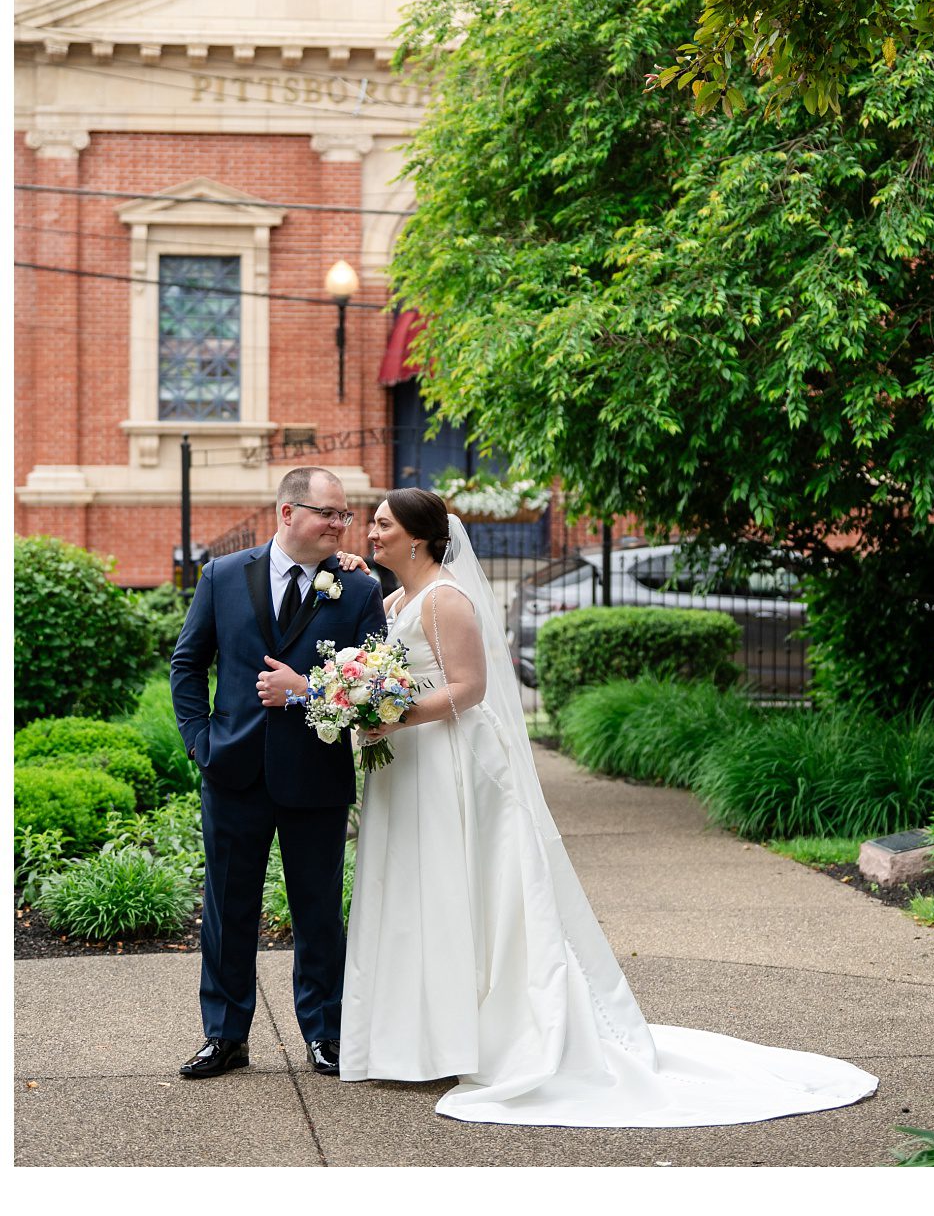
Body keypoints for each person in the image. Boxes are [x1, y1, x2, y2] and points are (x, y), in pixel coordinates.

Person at [275, 488, 877, 1127]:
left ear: (417, 538)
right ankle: (422, 1036)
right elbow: (385, 661)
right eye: (371, 526)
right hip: (409, 766)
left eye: (383, 526)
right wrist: (365, 699)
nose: (370, 534)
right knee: (415, 892)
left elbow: (470, 688)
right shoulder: (394, 598)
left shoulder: (447, 600)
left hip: (450, 762)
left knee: (464, 889)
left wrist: (388, 714)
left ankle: (488, 1032)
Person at [169, 467, 387, 1080]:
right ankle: (225, 1035)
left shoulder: (359, 589)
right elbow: (187, 663)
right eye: (331, 514)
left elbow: (370, 684)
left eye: (347, 516)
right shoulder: (222, 576)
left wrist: (303, 692)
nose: (342, 525)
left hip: (313, 774)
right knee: (227, 908)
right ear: (289, 513)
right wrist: (198, 742)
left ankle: (325, 1033)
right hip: (232, 770)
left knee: (317, 910)